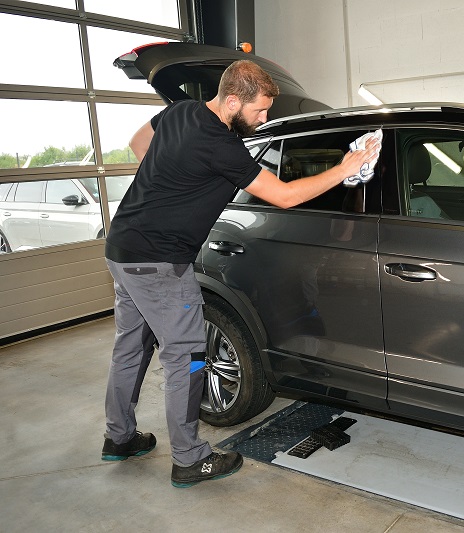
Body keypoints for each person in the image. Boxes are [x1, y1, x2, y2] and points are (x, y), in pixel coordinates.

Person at [101, 59, 379, 488]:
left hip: (122, 249)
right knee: (190, 358)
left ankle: (119, 438)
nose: (264, 118)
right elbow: (283, 197)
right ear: (233, 100)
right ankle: (190, 458)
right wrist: (345, 168)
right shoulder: (220, 144)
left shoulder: (181, 111)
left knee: (130, 348)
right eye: (259, 111)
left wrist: (167, 190)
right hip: (160, 263)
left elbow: (140, 143)